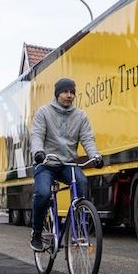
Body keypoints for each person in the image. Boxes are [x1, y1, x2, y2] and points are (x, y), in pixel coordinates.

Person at [29, 78, 103, 251]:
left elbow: (87, 139)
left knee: (82, 182)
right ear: (57, 94)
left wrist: (95, 156)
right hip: (46, 163)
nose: (69, 95)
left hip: (67, 164)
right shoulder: (44, 112)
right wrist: (38, 152)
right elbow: (37, 135)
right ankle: (37, 233)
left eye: (72, 92)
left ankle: (77, 226)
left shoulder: (80, 116)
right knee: (43, 193)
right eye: (65, 92)